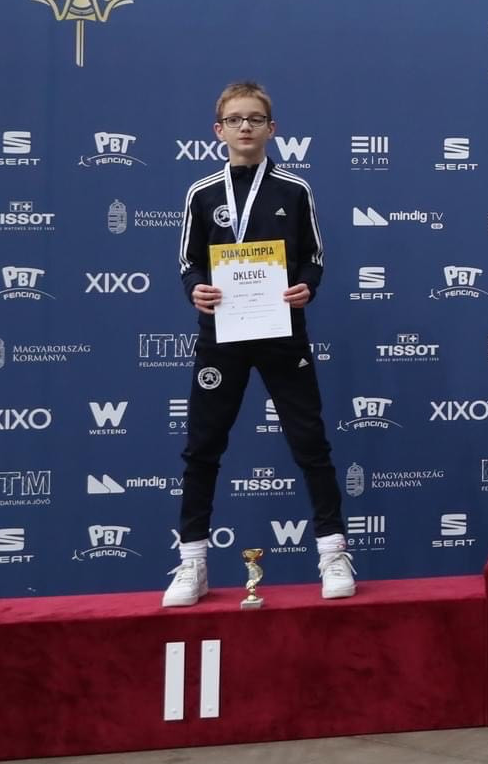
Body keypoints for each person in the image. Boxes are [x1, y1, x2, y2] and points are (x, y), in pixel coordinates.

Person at [163, 81, 355, 607]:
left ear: (272, 129)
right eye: (235, 120)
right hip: (221, 336)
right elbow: (188, 262)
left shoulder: (294, 190)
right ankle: (193, 562)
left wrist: (307, 287)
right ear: (218, 130)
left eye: (254, 119)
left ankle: (332, 553)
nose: (244, 127)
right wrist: (194, 288)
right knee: (202, 447)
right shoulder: (202, 193)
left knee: (310, 442)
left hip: (281, 331)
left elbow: (314, 257)